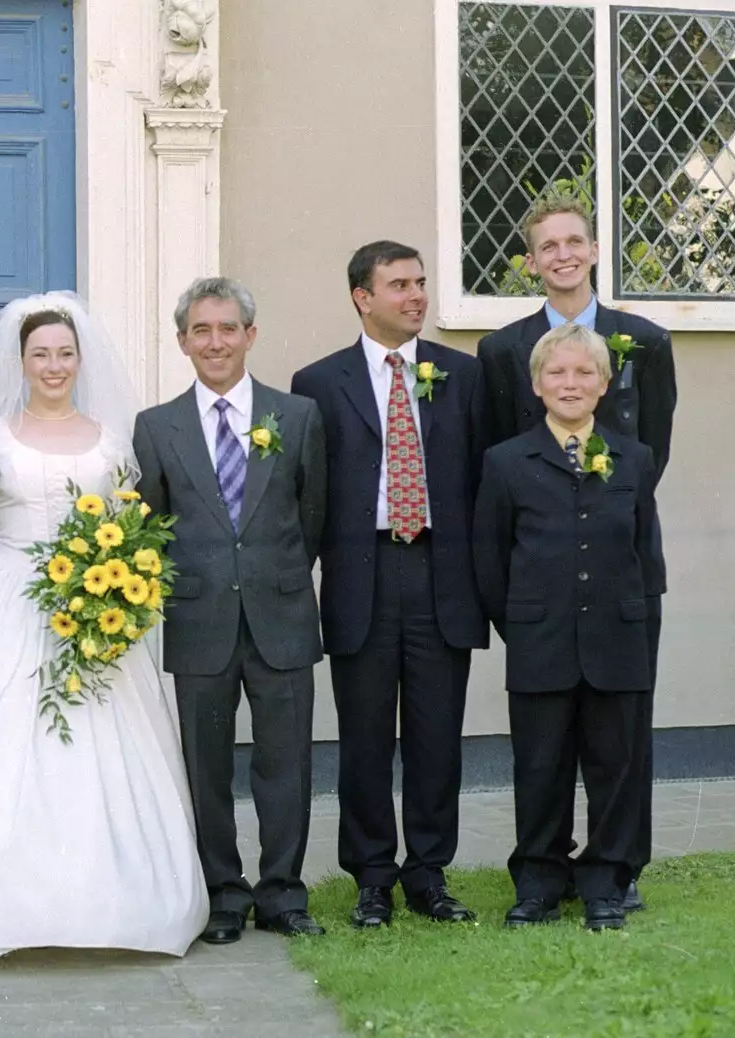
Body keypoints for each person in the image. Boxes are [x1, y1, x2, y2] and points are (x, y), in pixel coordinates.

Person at [0, 292, 208, 967]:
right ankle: (3, 905)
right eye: (40, 354)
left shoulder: (112, 438)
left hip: (96, 606)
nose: (53, 366)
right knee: (0, 744)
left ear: (81, 360)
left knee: (102, 745)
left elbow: (134, 515)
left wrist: (109, 577)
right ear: (20, 361)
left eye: (64, 354)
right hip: (9, 602)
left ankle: (118, 902)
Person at [476, 193, 677, 912]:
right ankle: (541, 876)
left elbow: (651, 463)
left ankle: (616, 876)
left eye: (574, 241)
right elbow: (496, 501)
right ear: (531, 263)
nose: (562, 254)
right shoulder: (502, 352)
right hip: (542, 597)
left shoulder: (643, 342)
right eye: (546, 245)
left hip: (619, 584)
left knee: (621, 748)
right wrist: (517, 612)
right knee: (543, 753)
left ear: (593, 249)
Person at [290, 242, 489, 929]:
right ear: (361, 297)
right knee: (366, 738)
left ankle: (429, 874)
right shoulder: (319, 381)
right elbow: (309, 490)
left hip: (441, 574)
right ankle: (372, 876)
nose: (416, 296)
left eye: (421, 283)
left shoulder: (459, 375)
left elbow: (480, 486)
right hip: (361, 576)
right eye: (399, 284)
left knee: (438, 736)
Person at [133, 277, 328, 944]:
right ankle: (222, 894)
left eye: (227, 328)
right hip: (199, 621)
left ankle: (282, 893)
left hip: (282, 617)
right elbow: (151, 526)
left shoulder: (295, 417)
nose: (215, 341)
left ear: (250, 334)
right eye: (201, 330)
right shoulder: (157, 427)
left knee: (286, 762)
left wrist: (274, 578)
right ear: (183, 340)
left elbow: (314, 518)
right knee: (205, 765)